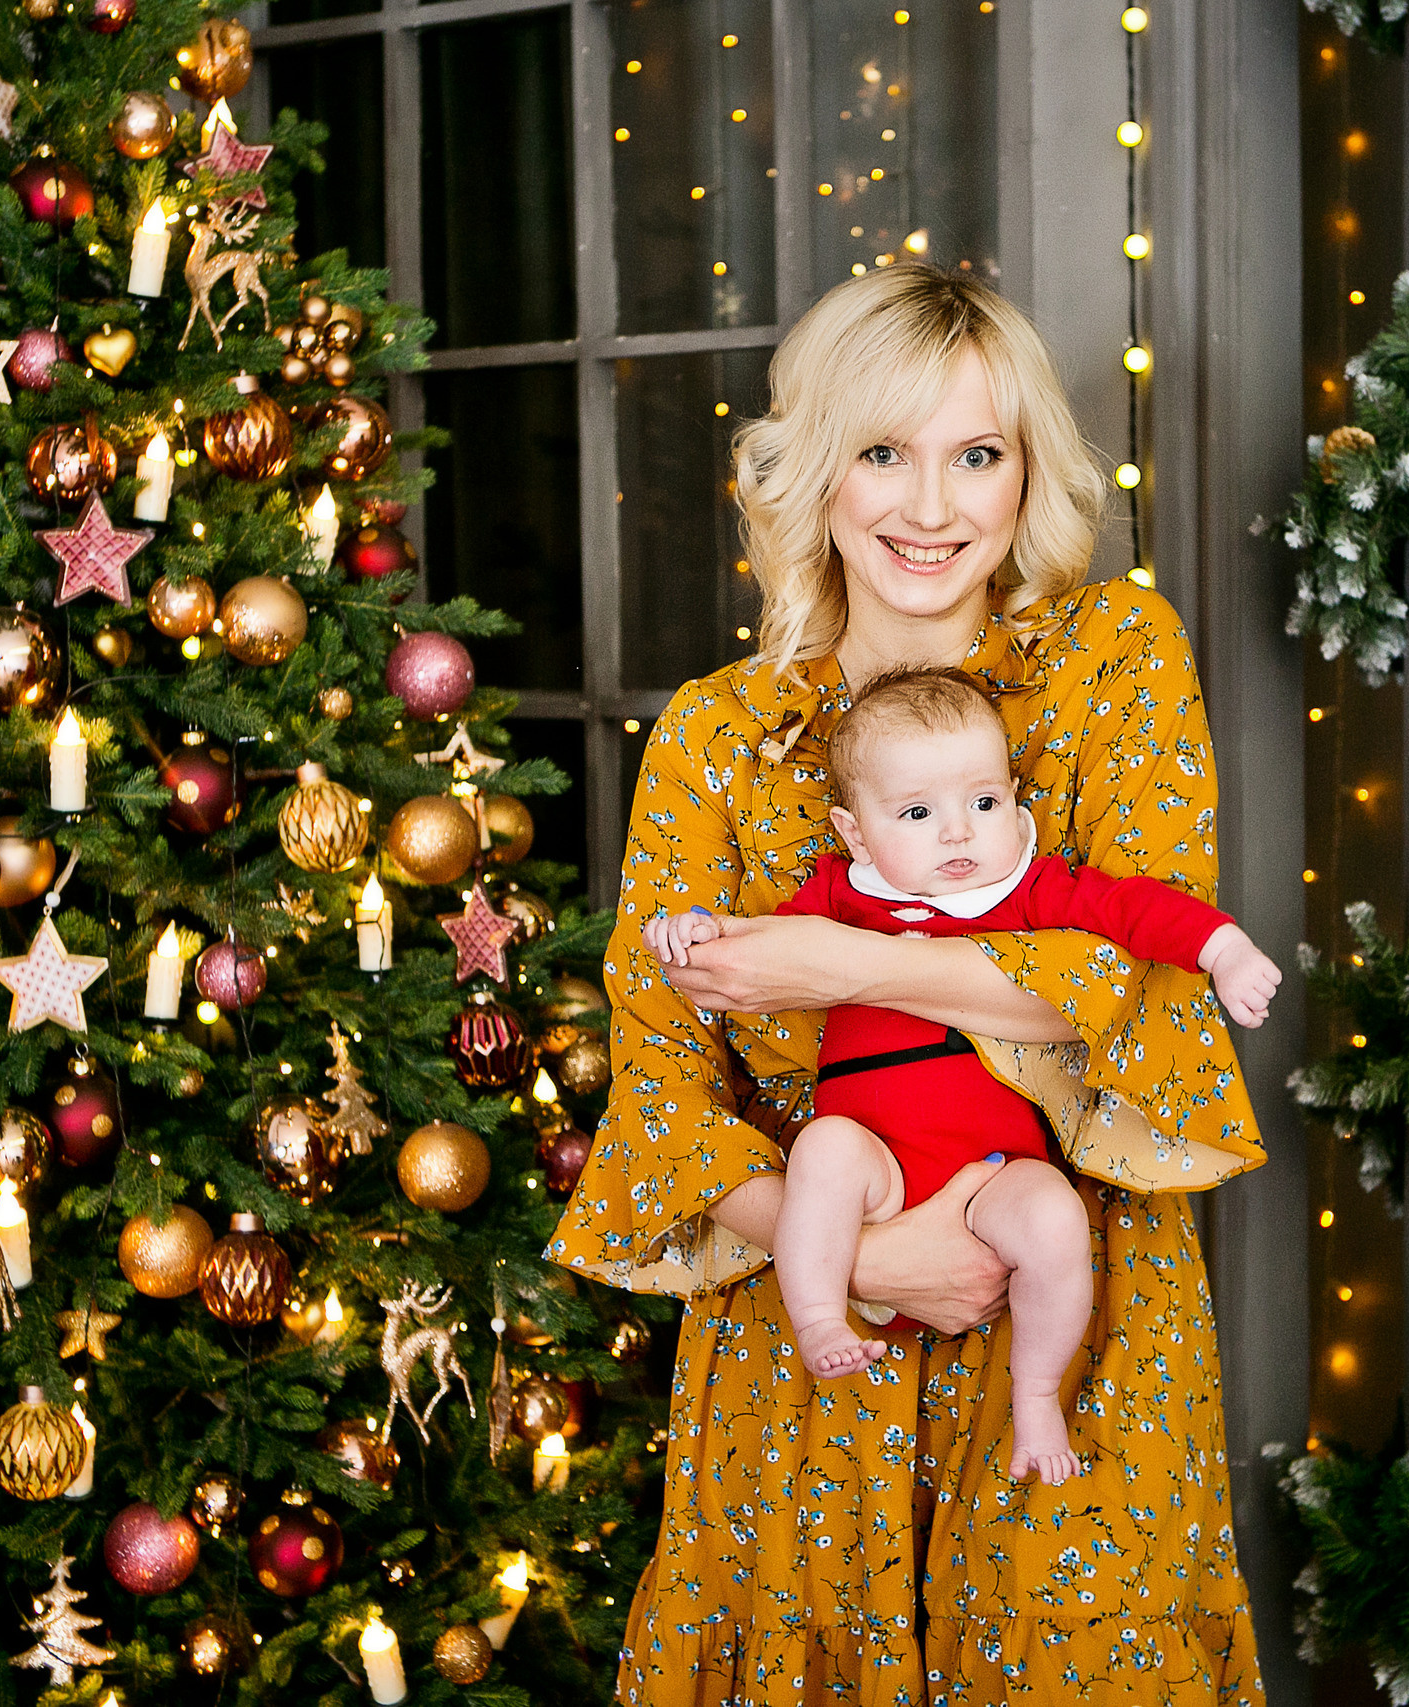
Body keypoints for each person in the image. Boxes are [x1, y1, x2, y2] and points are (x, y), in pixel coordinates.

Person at [548, 263, 1274, 1704]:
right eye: (883, 451)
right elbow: (664, 1091)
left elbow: (1119, 975)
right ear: (814, 468)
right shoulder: (717, 735)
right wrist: (866, 1262)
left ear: (1027, 475)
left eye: (976, 455)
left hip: (1083, 1318)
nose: (929, 507)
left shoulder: (1114, 662)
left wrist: (850, 961)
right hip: (807, 1335)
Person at [643, 666, 1282, 1488]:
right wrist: (704, 930)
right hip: (877, 1164)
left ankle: (1039, 1391)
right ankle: (816, 1315)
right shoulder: (845, 893)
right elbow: (761, 950)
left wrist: (1223, 949)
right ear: (858, 831)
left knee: (1053, 1219)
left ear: (1016, 803)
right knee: (825, 1152)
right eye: (917, 813)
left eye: (982, 803)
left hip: (992, 1174)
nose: (958, 834)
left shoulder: (1029, 889)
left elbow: (1134, 911)